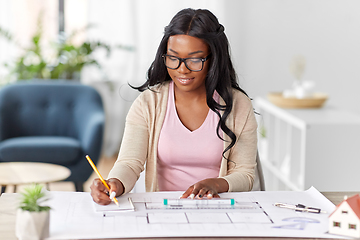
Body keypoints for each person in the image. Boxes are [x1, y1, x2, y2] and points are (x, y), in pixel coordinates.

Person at [90, 8, 258, 205]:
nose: (182, 69)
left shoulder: (238, 106)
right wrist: (114, 183)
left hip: (219, 208)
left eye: (195, 59)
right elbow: (129, 162)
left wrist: (216, 184)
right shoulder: (148, 104)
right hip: (165, 209)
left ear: (213, 59)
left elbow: (245, 174)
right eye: (173, 58)